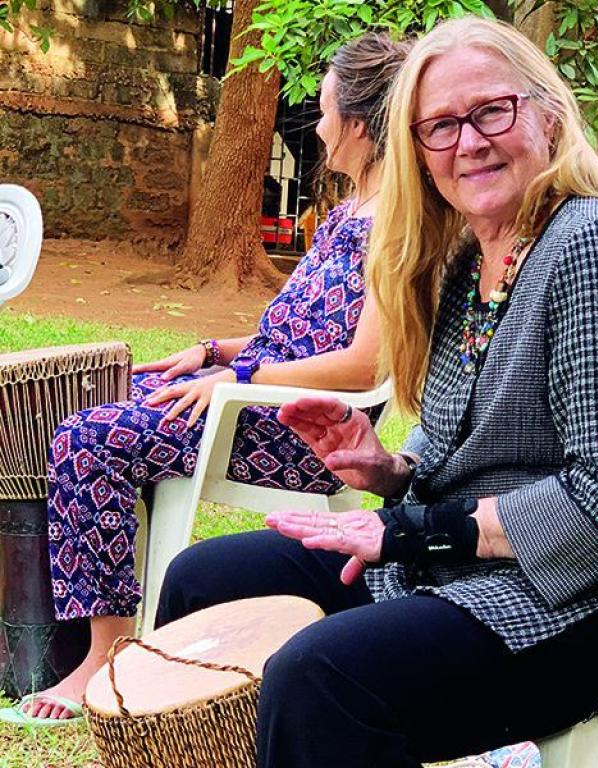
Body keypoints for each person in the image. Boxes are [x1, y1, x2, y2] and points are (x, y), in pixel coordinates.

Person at [156, 16, 598, 768]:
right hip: (479, 564)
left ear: (548, 114)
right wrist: (388, 471)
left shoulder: (594, 247)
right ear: (418, 152)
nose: (469, 142)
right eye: (440, 127)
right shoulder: (470, 258)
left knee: (325, 679)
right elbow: (466, 447)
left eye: (492, 111)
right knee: (203, 581)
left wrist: (415, 531)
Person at [2, 32, 411, 725]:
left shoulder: (397, 226)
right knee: (98, 402)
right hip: (255, 397)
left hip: (293, 429)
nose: (316, 124)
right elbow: (303, 327)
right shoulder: (347, 214)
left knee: (86, 437)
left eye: (325, 110)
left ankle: (105, 655)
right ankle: (57, 626)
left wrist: (239, 379)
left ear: (362, 129)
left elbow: (366, 365)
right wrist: (215, 350)